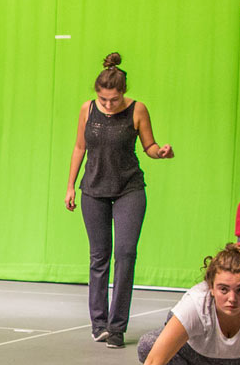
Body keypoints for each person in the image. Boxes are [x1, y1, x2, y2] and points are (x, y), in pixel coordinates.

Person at [64, 53, 173, 349]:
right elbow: (79, 147)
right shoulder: (87, 109)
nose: (108, 105)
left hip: (129, 189)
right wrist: (71, 186)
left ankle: (117, 328)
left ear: (123, 93)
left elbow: (149, 145)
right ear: (97, 93)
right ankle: (98, 324)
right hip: (94, 190)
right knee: (99, 256)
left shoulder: (138, 110)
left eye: (113, 99)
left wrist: (159, 152)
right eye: (103, 99)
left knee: (125, 255)